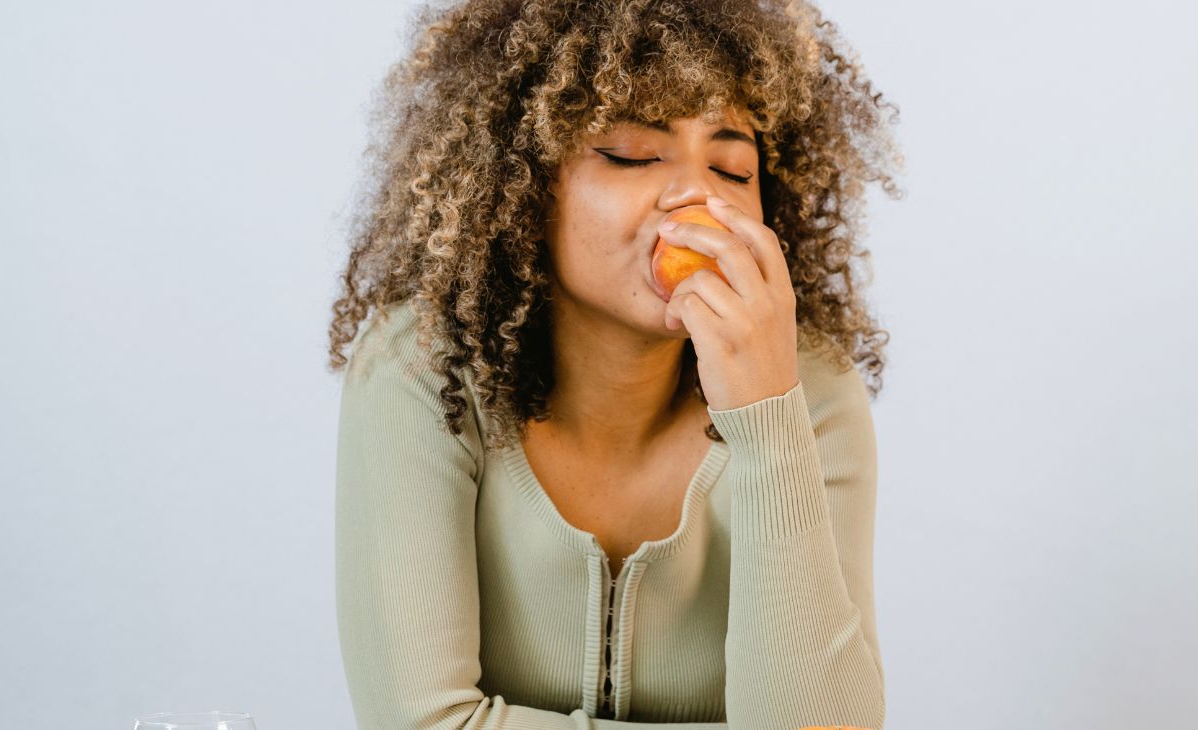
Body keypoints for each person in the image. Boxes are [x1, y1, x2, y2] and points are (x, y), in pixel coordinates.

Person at [327, 1, 904, 728]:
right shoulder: (424, 366)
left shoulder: (810, 388)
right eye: (632, 154)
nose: (698, 196)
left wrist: (767, 416)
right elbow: (415, 722)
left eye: (732, 168)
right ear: (520, 182)